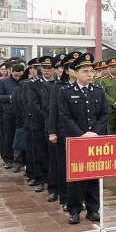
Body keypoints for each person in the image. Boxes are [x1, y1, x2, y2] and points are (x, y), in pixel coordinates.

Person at [57, 53, 108, 224]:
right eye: (85, 71)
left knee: (94, 174)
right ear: (76, 73)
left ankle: (93, 210)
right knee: (76, 176)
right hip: (76, 140)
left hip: (94, 139)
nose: (89, 75)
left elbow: (104, 115)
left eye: (91, 71)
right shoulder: (66, 92)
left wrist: (95, 133)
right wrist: (81, 134)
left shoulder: (99, 91)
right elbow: (65, 116)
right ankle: (74, 210)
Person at [42, 53, 66, 203]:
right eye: (60, 67)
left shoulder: (72, 85)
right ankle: (53, 189)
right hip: (55, 128)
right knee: (55, 161)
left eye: (65, 67)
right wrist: (52, 130)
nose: (62, 70)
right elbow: (48, 109)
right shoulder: (51, 86)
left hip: (70, 130)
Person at [28, 56, 54, 193]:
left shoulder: (57, 84)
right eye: (44, 68)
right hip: (39, 123)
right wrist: (48, 117)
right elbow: (34, 105)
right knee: (39, 153)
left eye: (49, 68)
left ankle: (52, 180)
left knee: (52, 154)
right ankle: (39, 180)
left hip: (53, 125)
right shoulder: (33, 84)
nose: (47, 70)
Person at [0, 61, 24, 170]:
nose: (17, 78)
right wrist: (11, 97)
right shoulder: (4, 82)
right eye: (15, 75)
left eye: (19, 75)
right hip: (8, 114)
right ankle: (7, 159)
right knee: (7, 137)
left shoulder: (25, 81)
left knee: (20, 138)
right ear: (11, 72)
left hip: (21, 114)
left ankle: (19, 161)